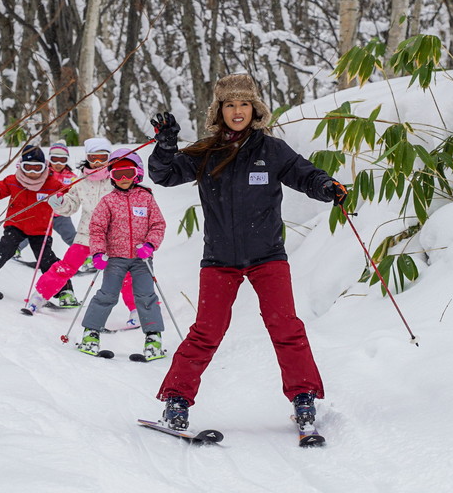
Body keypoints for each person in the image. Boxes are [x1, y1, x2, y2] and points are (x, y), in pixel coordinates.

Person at [148, 73, 345, 431]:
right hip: (219, 260)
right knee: (206, 331)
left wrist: (326, 186)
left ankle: (304, 399)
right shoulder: (206, 152)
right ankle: (176, 401)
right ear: (218, 111)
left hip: (267, 256)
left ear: (255, 109)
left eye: (244, 104)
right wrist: (165, 144)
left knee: (286, 327)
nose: (237, 111)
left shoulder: (272, 151)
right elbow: (164, 174)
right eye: (229, 104)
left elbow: (304, 174)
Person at [25, 137, 140, 319]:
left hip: (115, 237)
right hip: (87, 235)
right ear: (87, 157)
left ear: (109, 158)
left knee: (124, 273)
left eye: (101, 158)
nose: (96, 163)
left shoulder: (116, 178)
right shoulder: (81, 181)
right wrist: (60, 203)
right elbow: (71, 206)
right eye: (93, 158)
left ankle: (136, 309)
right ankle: (39, 297)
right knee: (66, 266)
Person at [75, 149, 167, 360]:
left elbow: (158, 224)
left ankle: (153, 338)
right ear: (111, 176)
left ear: (137, 173)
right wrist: (98, 253)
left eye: (128, 173)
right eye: (118, 174)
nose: (124, 179)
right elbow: (97, 228)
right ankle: (91, 333)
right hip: (114, 258)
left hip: (141, 258)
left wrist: (150, 245)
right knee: (107, 295)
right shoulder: (108, 201)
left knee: (146, 297)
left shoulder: (146, 198)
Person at [0, 146, 74, 299]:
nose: (32, 172)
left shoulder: (53, 184)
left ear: (45, 166)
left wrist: (70, 195)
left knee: (46, 259)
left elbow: (71, 196)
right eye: (28, 167)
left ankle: (64, 291)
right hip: (16, 225)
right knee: (5, 249)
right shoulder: (14, 181)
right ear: (21, 166)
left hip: (41, 229)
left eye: (37, 168)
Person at [16, 141, 77, 262]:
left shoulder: (71, 177)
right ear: (49, 159)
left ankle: (85, 257)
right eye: (55, 159)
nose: (58, 164)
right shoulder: (43, 172)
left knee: (71, 235)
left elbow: (74, 193)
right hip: (42, 213)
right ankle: (15, 249)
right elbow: (28, 174)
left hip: (60, 214)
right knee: (29, 233)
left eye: (62, 160)